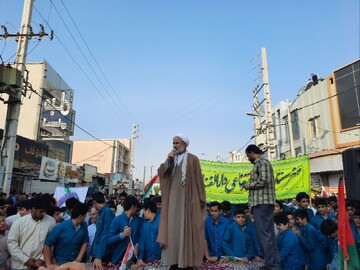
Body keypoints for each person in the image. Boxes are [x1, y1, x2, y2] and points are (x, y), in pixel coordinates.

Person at [157, 134, 206, 270]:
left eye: (177, 143)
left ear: (185, 144)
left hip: (189, 202)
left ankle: (187, 261)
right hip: (173, 203)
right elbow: (162, 173)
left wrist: (200, 200)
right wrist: (168, 160)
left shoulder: (193, 159)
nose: (175, 145)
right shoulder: (171, 159)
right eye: (173, 143)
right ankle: (174, 260)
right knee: (173, 230)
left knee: (188, 230)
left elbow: (199, 181)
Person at [243, 144, 280, 269]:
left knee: (264, 235)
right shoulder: (261, 163)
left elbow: (263, 180)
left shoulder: (262, 163)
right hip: (262, 204)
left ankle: (272, 265)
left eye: (248, 156)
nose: (248, 159)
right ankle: (272, 264)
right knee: (268, 235)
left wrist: (249, 185)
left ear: (252, 152)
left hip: (262, 203)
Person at [7, 194, 56, 269]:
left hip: (40, 265)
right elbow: (11, 244)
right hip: (19, 265)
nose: (43, 214)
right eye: (41, 211)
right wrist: (25, 260)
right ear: (33, 209)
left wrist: (42, 259)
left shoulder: (51, 221)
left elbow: (52, 243)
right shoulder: (19, 222)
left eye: (45, 211)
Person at [43, 203, 89, 268]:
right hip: (61, 262)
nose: (85, 218)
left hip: (75, 262)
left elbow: (85, 242)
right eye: (85, 216)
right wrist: (48, 264)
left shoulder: (83, 225)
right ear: (80, 216)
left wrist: (78, 260)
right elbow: (47, 244)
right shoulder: (60, 228)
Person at [107, 195, 142, 265]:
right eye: (136, 208)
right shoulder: (116, 220)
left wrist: (137, 246)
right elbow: (109, 240)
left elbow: (141, 237)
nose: (136, 210)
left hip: (133, 260)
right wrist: (122, 235)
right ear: (133, 207)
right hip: (118, 259)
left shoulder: (138, 221)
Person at [135, 200, 161, 268]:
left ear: (148, 210)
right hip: (148, 260)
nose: (143, 212)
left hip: (162, 259)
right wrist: (140, 258)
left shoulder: (161, 220)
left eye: (144, 210)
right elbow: (142, 240)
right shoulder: (145, 223)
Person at [91, 192, 114, 270]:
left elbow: (105, 234)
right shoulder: (102, 212)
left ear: (94, 202)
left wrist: (98, 256)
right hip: (98, 252)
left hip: (104, 253)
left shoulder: (107, 212)